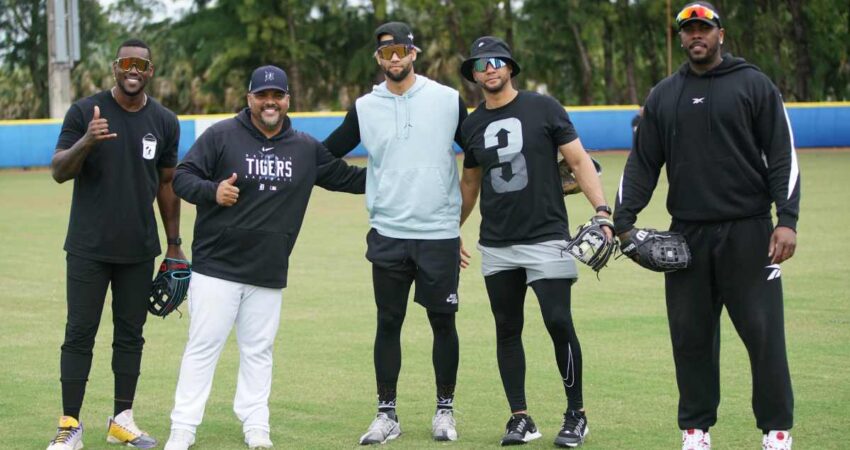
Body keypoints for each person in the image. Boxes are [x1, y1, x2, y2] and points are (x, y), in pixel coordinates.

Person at [613, 3, 799, 450]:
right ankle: (696, 430)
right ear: (681, 38)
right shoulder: (664, 95)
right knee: (691, 337)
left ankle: (776, 431)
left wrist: (786, 220)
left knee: (763, 333)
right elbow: (642, 164)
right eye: (688, 29)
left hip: (750, 231)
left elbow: (782, 156)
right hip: (688, 236)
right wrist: (622, 222)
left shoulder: (754, 85)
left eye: (703, 28)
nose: (696, 35)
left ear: (720, 34)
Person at [163, 65, 365, 450]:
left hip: (268, 269)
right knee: (203, 347)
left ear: (288, 100)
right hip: (216, 267)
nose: (270, 102)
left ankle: (256, 425)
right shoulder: (222, 135)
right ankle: (183, 427)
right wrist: (212, 191)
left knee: (259, 350)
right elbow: (182, 177)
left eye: (278, 96)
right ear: (249, 98)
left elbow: (350, 179)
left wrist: (402, 174)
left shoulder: (305, 147)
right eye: (262, 95)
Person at [458, 36, 613, 448]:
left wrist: (602, 212)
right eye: (480, 64)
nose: (489, 69)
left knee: (558, 321)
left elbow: (579, 161)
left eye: (496, 61)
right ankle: (520, 417)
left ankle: (576, 414)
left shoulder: (544, 107)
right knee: (507, 329)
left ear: (510, 66)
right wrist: (450, 232)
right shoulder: (471, 125)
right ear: (473, 74)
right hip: (497, 242)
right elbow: (470, 185)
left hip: (546, 236)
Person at [322, 21, 467, 445]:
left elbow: (477, 154)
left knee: (443, 321)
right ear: (378, 59)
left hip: (438, 232)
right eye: (386, 53)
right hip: (387, 231)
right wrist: (366, 183)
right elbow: (322, 156)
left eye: (401, 51)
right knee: (388, 321)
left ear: (414, 53)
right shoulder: (366, 107)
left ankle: (445, 410)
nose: (394, 59)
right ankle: (387, 415)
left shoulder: (447, 100)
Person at [47, 38, 184, 450]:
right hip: (88, 247)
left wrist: (174, 244)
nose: (133, 70)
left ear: (150, 71)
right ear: (114, 67)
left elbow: (166, 184)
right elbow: (58, 171)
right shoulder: (84, 112)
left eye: (141, 64)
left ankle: (121, 419)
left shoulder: (164, 121)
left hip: (139, 250)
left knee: (130, 336)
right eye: (126, 62)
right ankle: (70, 425)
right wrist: (87, 140)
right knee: (79, 334)